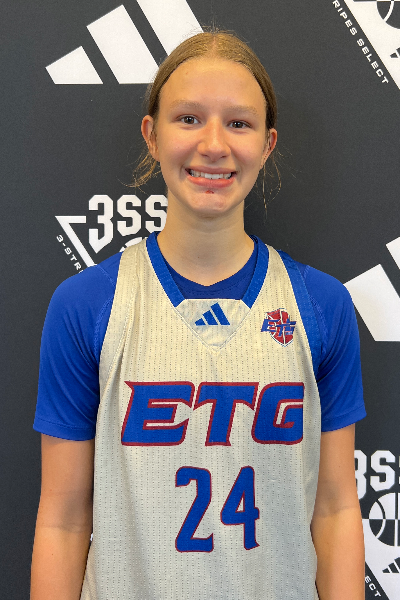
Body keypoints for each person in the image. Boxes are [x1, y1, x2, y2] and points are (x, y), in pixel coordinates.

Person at [31, 31, 366, 600]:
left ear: (267, 144)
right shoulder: (87, 305)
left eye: (239, 123)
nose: (214, 144)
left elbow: (334, 509)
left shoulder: (320, 305)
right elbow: (63, 519)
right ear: (152, 135)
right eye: (188, 119)